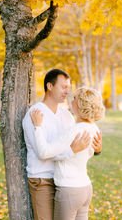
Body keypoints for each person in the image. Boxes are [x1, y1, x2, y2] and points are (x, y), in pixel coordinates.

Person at [22, 69, 102, 220]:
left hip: (64, 183)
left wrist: (96, 150)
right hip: (42, 180)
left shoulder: (67, 116)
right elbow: (43, 153)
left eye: (68, 87)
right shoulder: (35, 114)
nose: (67, 91)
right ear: (50, 86)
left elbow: (79, 147)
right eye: (63, 87)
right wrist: (71, 151)